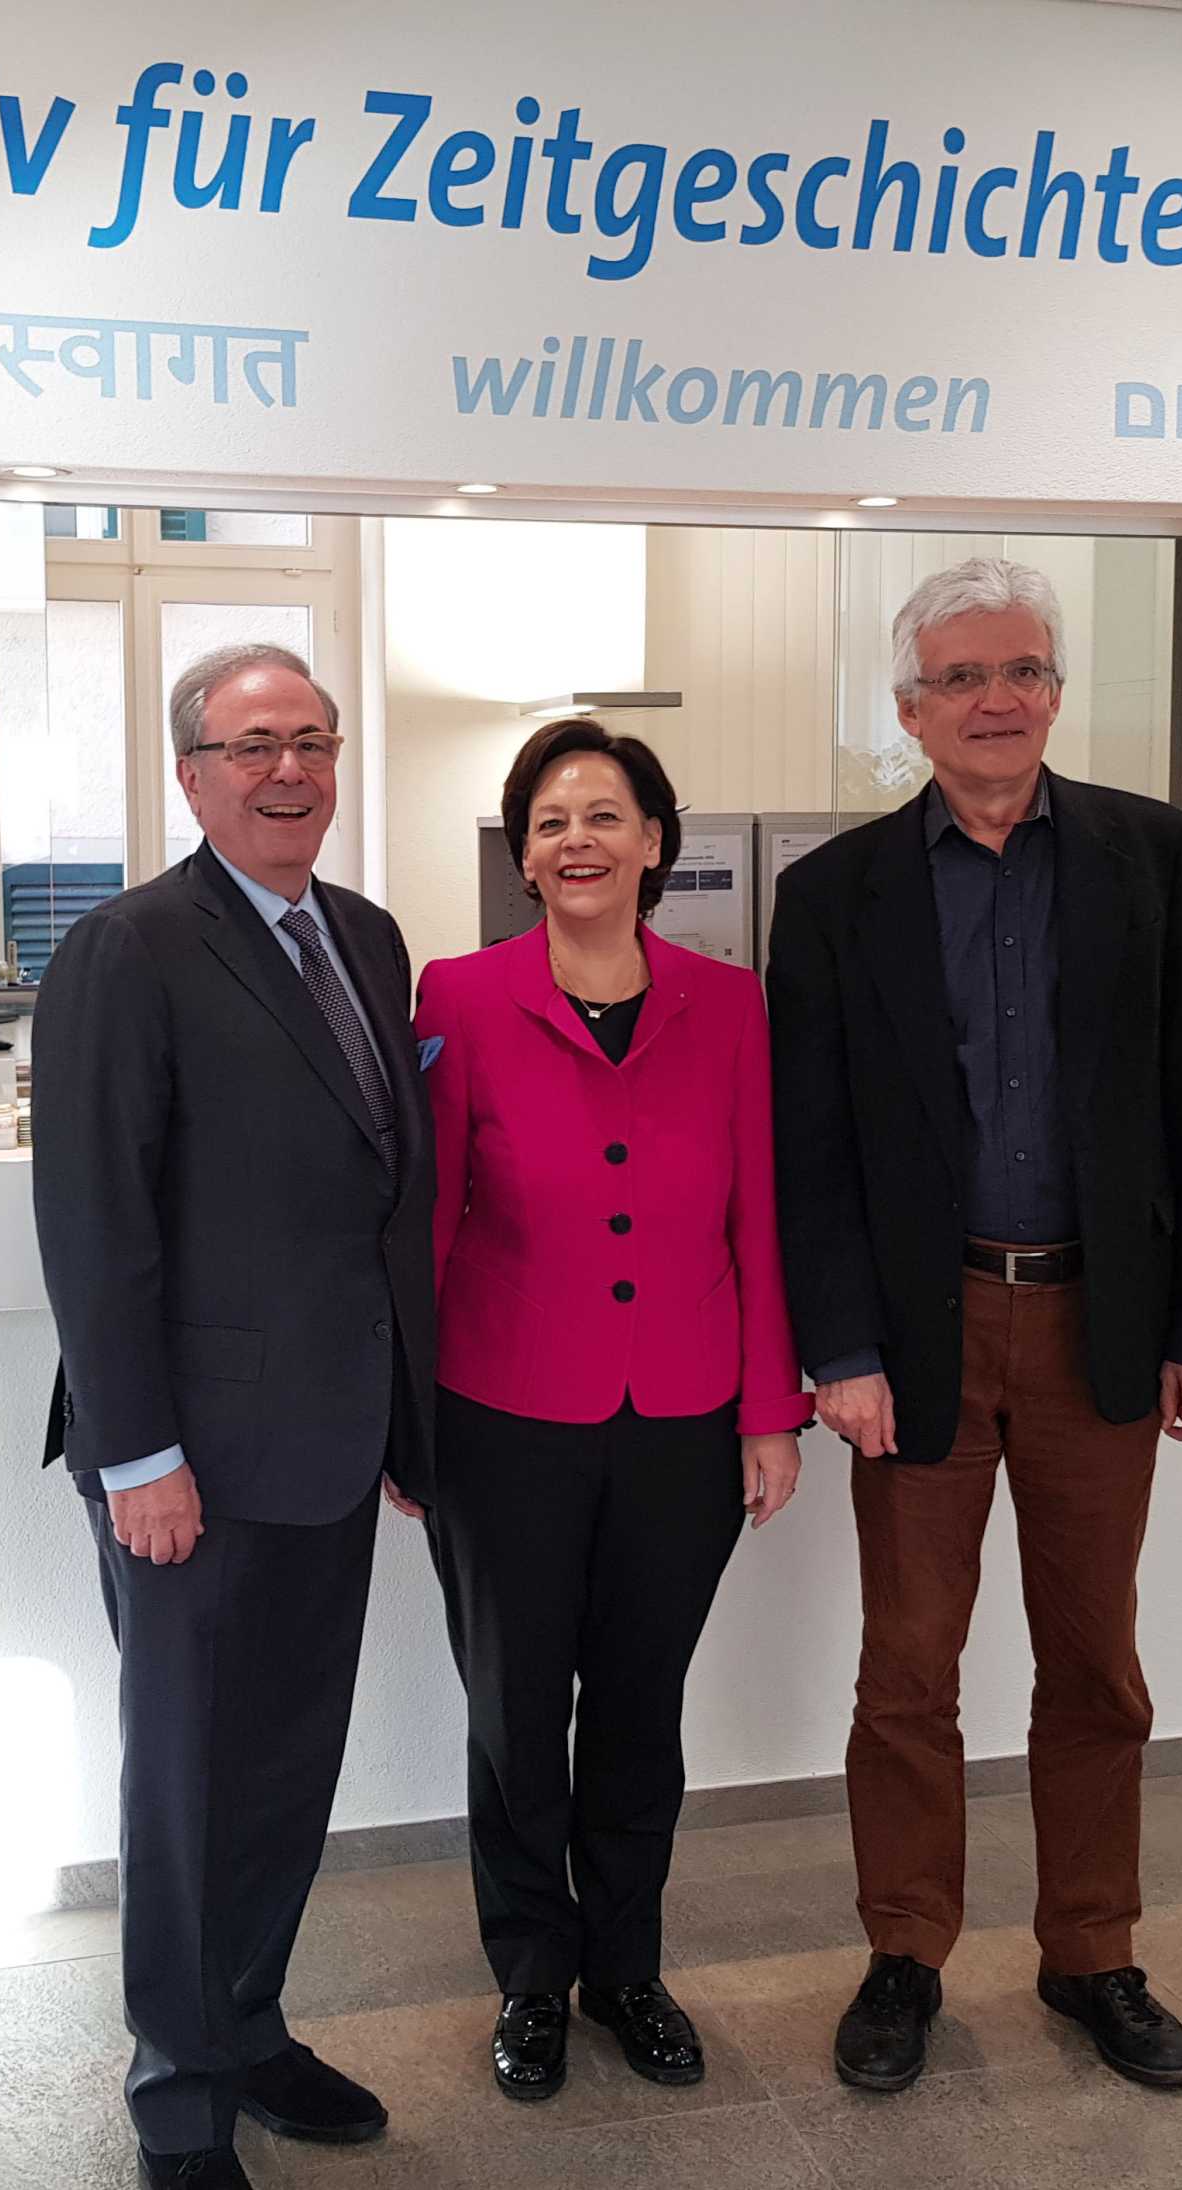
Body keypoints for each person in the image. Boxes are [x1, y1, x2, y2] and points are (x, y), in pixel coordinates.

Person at [766, 558, 1182, 2097]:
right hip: (919, 1332)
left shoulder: (1149, 853)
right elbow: (813, 1141)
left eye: (1025, 671)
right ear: (909, 709)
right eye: (964, 677)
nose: (998, 700)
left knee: (1095, 1659)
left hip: (1102, 1324)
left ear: (1055, 690)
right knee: (908, 1663)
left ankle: (1092, 1951)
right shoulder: (832, 894)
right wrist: (835, 1348)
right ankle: (905, 1948)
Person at [32, 642, 435, 2189]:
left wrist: (404, 1422)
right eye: (253, 744)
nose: (289, 772)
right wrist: (136, 1451)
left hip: (330, 1440)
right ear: (191, 772)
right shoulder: (130, 949)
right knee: (190, 1786)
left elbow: (373, 1195)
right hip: (186, 1463)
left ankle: (250, 2022)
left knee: (284, 1767)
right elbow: (94, 1217)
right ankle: (182, 2096)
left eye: (311, 741)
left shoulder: (367, 934)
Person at [409, 718, 812, 2104]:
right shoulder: (455, 996)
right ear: (523, 856)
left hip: (684, 1418)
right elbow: (430, 1227)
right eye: (548, 820)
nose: (574, 838)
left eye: (603, 814)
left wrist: (772, 1411)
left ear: (654, 841)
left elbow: (758, 1214)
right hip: (501, 1415)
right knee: (517, 1715)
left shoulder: (733, 1003)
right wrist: (414, 1423)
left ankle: (626, 1968)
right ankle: (531, 1974)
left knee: (641, 1706)